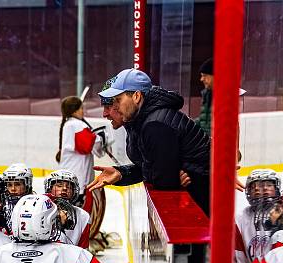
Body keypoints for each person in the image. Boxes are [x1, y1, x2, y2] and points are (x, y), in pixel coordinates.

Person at [88, 68, 211, 215]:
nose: (106, 112)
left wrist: (166, 178)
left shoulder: (156, 125)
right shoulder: (139, 121)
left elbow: (163, 181)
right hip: (198, 202)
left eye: (117, 101)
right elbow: (154, 169)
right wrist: (122, 173)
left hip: (202, 207)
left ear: (137, 96)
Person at [235, 169, 281, 263]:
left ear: (277, 188)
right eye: (253, 186)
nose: (260, 189)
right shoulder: (240, 219)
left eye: (268, 185)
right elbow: (239, 259)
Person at [44, 170, 90, 249]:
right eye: (59, 185)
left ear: (74, 191)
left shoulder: (83, 216)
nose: (64, 188)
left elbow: (83, 250)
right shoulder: (40, 210)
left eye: (69, 187)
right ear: (49, 189)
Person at [1, 163, 34, 233]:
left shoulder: (34, 203)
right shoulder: (1, 202)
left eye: (17, 184)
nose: (13, 189)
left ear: (27, 184)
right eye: (9, 185)